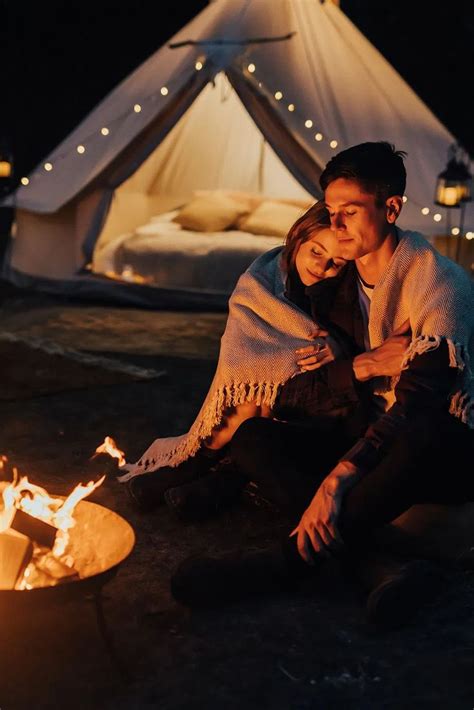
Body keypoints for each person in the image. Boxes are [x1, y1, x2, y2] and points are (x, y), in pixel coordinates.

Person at [169, 142, 474, 628]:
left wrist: (338, 479)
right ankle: (373, 565)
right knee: (253, 436)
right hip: (361, 430)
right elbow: (290, 392)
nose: (335, 227)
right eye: (331, 212)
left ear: (391, 208)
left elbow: (419, 406)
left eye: (349, 212)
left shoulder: (439, 286)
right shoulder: (332, 285)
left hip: (438, 448)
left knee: (424, 434)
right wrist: (363, 366)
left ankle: (281, 565)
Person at [121, 202, 409, 522]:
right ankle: (211, 475)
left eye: (336, 263)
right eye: (315, 252)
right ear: (298, 238)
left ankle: (205, 471)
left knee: (260, 404)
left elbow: (364, 349)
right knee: (253, 392)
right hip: (282, 403)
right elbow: (246, 358)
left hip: (329, 411)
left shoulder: (344, 293)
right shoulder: (263, 278)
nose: (323, 266)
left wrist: (337, 349)